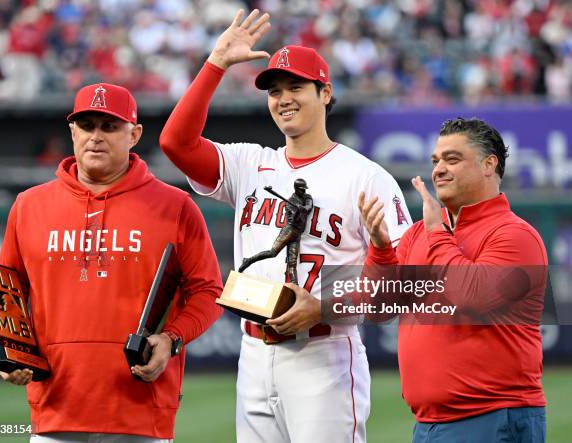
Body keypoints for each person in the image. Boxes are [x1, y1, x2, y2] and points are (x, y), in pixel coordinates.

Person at [159, 9, 412, 443]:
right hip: (254, 352)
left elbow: (403, 287)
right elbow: (175, 143)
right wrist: (215, 62)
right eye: (274, 91)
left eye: (296, 86)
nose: (283, 98)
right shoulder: (251, 163)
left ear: (325, 92)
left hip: (325, 352)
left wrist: (325, 306)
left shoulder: (365, 177)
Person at [0, 82, 223, 442]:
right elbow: (5, 291)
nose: (96, 137)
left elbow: (209, 291)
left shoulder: (176, 206)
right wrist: (10, 351)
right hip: (56, 408)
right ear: (72, 132)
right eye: (87, 126)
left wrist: (171, 339)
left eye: (110, 126)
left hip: (141, 409)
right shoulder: (28, 206)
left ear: (134, 134)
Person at [358, 117, 548, 442]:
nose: (438, 169)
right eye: (435, 161)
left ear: (489, 165)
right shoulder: (419, 234)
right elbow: (375, 309)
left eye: (452, 159)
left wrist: (436, 233)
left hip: (493, 416)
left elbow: (470, 297)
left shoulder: (515, 235)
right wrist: (380, 251)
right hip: (429, 423)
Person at [238, 178, 313, 284]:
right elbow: (297, 220)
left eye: (304, 189)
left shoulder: (306, 197)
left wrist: (304, 208)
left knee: (292, 263)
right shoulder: (290, 202)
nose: (304, 192)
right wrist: (298, 212)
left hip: (297, 234)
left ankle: (295, 288)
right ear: (296, 189)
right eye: (302, 189)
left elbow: (309, 206)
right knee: (272, 253)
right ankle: (248, 260)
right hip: (289, 231)